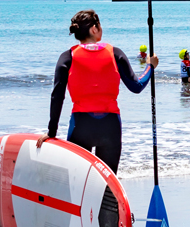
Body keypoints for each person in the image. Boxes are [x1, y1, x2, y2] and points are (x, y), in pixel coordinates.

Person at [38, 10, 157, 172]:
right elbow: (136, 86)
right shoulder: (115, 53)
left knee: (77, 183)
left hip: (80, 126)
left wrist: (51, 132)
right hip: (110, 126)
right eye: (100, 25)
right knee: (107, 186)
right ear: (94, 29)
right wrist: (150, 66)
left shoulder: (67, 57)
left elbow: (57, 95)